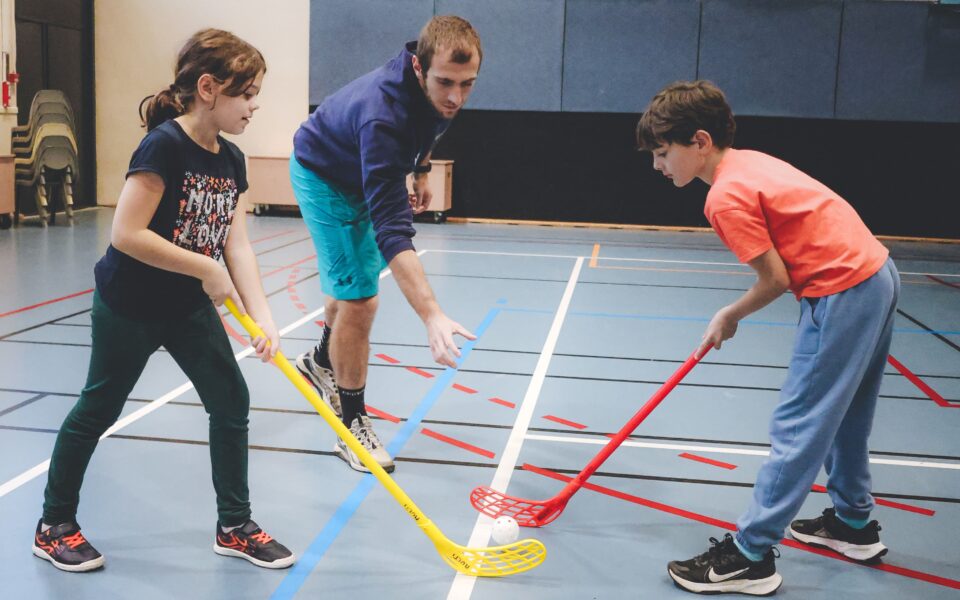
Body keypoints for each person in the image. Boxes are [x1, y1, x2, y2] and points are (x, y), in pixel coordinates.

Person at [32, 29, 294, 572]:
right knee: (98, 408)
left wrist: (263, 315)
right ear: (208, 88)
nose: (254, 105)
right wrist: (205, 268)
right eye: (246, 93)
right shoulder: (164, 146)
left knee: (231, 401)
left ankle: (234, 525)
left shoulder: (232, 160)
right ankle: (54, 525)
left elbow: (236, 243)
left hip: (186, 308)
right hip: (128, 304)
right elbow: (127, 234)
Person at [636, 80, 899, 596]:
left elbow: (775, 279)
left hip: (843, 290)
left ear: (700, 142)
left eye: (663, 153)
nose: (658, 166)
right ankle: (851, 524)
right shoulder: (747, 162)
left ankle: (750, 556)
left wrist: (729, 314)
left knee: (799, 425)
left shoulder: (724, 197)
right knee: (846, 415)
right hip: (876, 273)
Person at [290, 16, 481, 473]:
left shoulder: (437, 90)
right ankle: (351, 426)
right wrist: (431, 314)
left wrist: (419, 169)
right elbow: (393, 232)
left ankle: (320, 361)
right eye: (445, 83)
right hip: (324, 175)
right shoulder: (382, 115)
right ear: (419, 68)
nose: (455, 96)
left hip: (362, 167)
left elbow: (433, 125)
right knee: (360, 299)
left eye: (467, 84)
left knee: (353, 281)